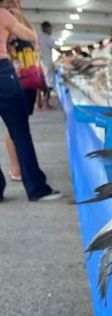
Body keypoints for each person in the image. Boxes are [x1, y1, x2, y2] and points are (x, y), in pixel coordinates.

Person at [0, 2, 60, 201]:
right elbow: (31, 36)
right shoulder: (3, 15)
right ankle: (36, 189)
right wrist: (14, 19)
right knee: (20, 134)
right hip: (3, 75)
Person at [37, 21, 60, 109]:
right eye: (50, 28)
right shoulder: (47, 38)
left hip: (38, 64)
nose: (51, 30)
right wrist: (71, 51)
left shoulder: (37, 37)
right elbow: (57, 49)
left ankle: (39, 103)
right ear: (46, 28)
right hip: (47, 64)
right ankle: (46, 103)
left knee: (39, 84)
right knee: (48, 83)